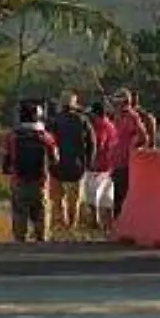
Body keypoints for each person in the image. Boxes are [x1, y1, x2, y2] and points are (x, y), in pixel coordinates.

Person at [1, 100, 61, 243]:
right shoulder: (45, 137)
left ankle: (20, 241)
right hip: (40, 182)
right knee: (41, 212)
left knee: (19, 213)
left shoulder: (12, 136)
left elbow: (5, 160)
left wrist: (8, 170)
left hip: (19, 182)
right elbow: (55, 159)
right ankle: (42, 239)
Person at [48, 92, 97, 233]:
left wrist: (49, 161)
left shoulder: (53, 121)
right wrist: (89, 161)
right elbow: (92, 143)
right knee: (74, 199)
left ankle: (60, 224)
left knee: (57, 198)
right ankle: (71, 225)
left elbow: (48, 142)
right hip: (77, 165)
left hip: (57, 165)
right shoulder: (83, 120)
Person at [107, 89, 151, 222]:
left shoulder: (132, 116)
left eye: (118, 101)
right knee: (117, 195)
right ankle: (118, 225)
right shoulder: (116, 116)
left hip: (126, 161)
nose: (116, 104)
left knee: (123, 195)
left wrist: (134, 147)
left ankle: (125, 223)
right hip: (116, 160)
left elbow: (144, 137)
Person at [84, 100, 119, 232]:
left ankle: (96, 226)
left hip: (97, 167)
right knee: (107, 201)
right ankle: (108, 228)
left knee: (92, 199)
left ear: (95, 114)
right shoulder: (111, 125)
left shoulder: (100, 126)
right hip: (109, 166)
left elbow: (98, 145)